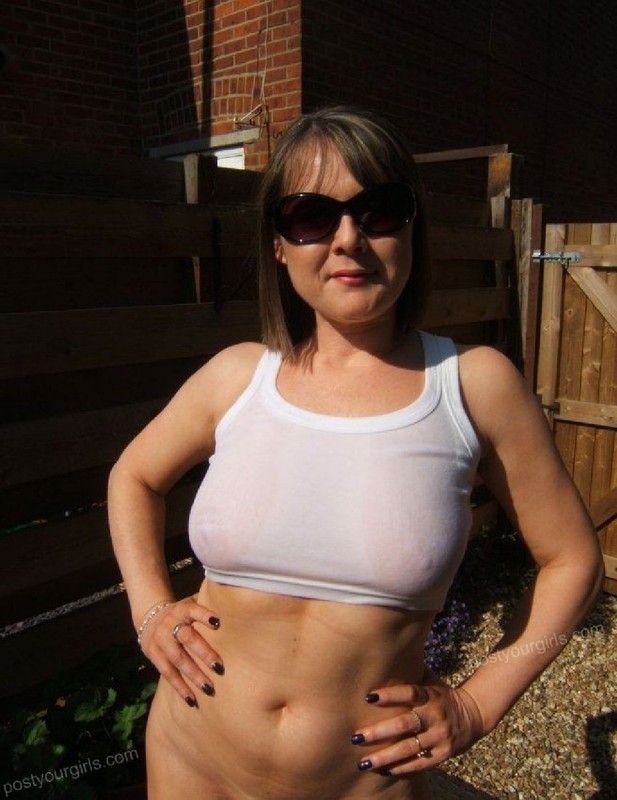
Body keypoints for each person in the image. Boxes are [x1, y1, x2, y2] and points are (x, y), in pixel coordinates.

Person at [107, 106, 604, 800]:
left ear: (412, 230)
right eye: (310, 216)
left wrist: (478, 702)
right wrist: (150, 610)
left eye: (378, 211)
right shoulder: (234, 378)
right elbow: (133, 476)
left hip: (363, 787)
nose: (347, 239)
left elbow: (572, 560)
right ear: (278, 244)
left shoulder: (472, 385)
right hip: (191, 764)